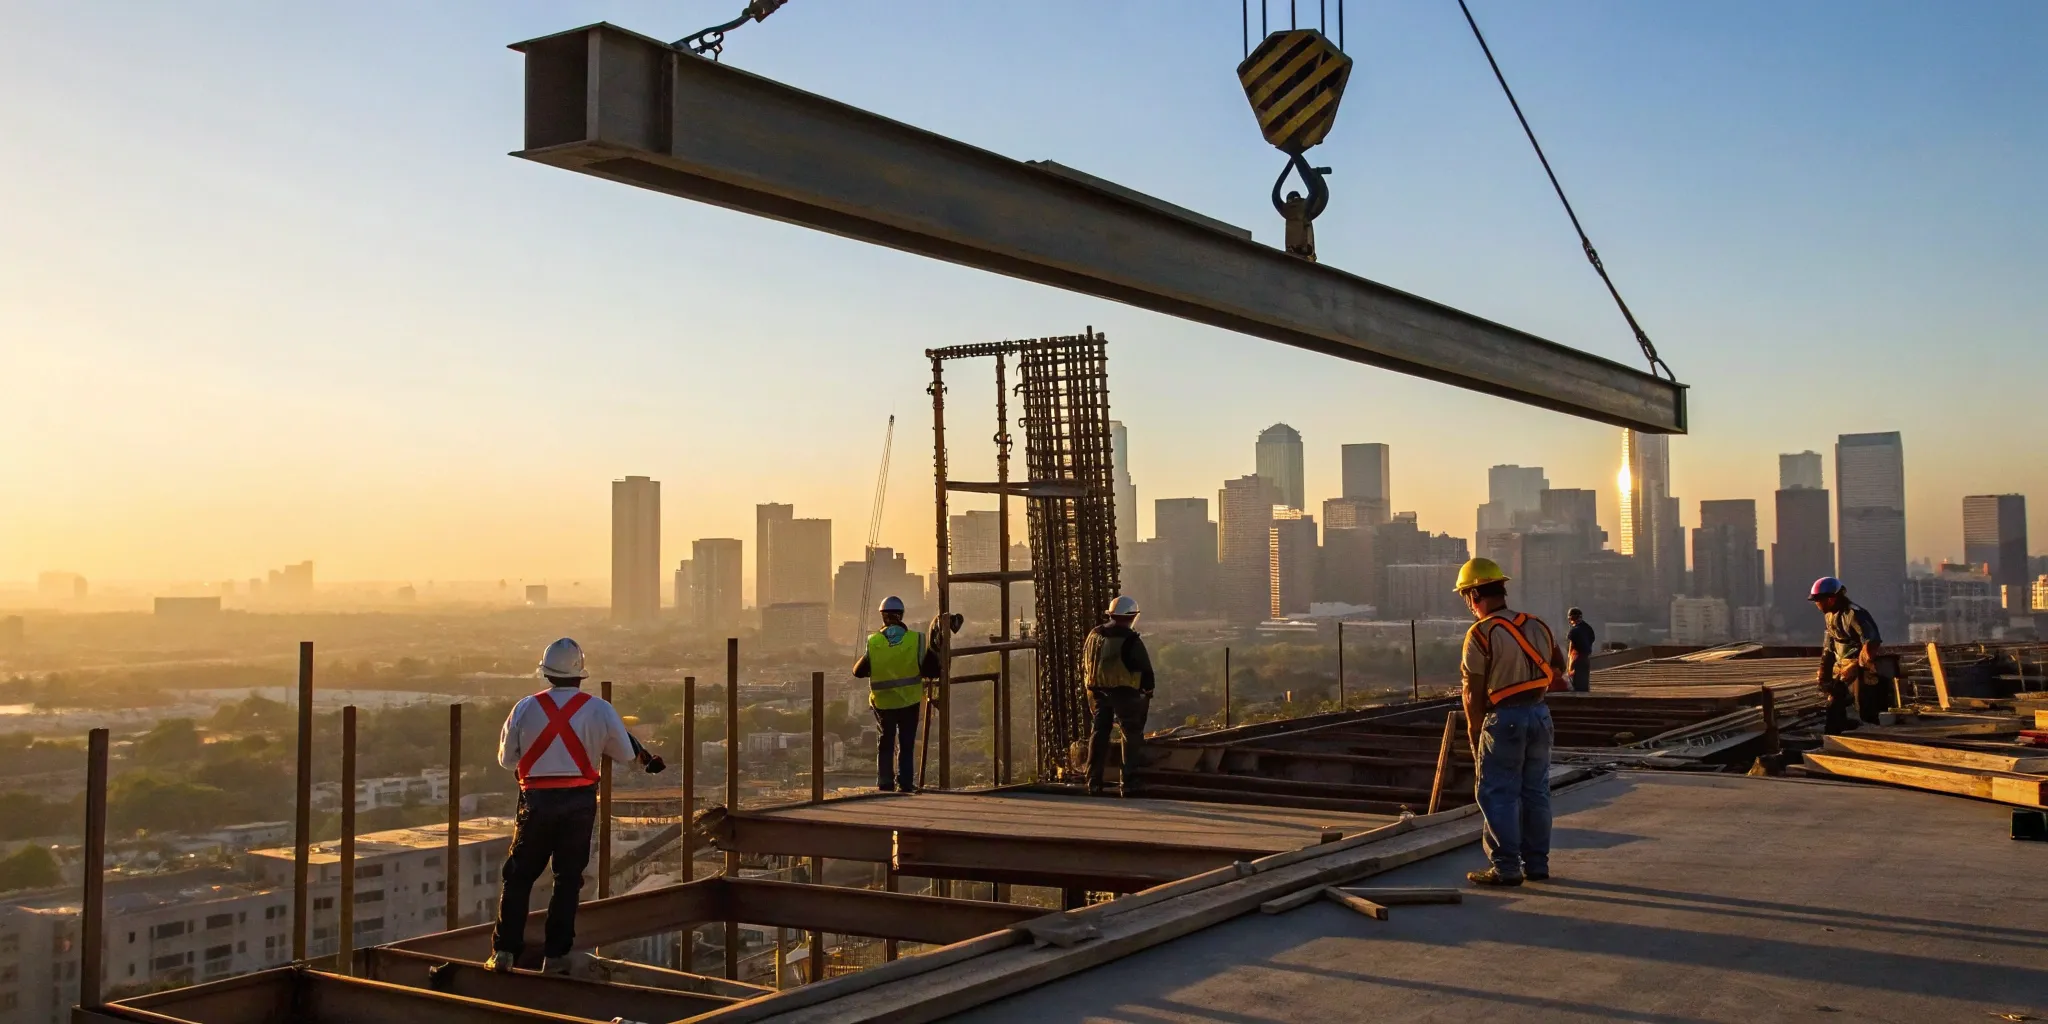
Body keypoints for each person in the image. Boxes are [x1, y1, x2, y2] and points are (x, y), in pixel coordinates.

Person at [488, 638, 663, 973]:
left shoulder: (525, 707)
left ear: (546, 673)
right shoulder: (599, 709)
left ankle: (505, 952)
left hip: (536, 801)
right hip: (579, 802)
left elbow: (507, 761)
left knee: (519, 876)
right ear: (580, 675)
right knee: (567, 879)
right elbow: (626, 755)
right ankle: (556, 955)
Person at [1455, 558, 1565, 887]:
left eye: (1466, 597)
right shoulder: (1537, 624)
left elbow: (1474, 693)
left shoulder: (1480, 633)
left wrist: (1475, 732)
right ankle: (1537, 864)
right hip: (1540, 714)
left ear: (1475, 594)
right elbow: (1557, 666)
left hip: (1505, 719)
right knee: (1535, 792)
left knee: (1498, 792)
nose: (1468, 605)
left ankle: (1505, 867)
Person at [852, 596, 941, 793]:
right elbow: (932, 670)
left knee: (885, 743)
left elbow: (857, 671)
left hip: (884, 703)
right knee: (906, 744)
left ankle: (885, 784)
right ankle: (905, 784)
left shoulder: (874, 642)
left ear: (883, 617)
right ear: (901, 616)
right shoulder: (915, 639)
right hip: (909, 700)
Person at [1084, 595, 1157, 797]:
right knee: (1131, 734)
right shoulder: (1130, 640)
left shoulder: (1094, 635)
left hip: (1096, 690)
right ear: (1132, 616)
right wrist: (1147, 690)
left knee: (1099, 732)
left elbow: (1086, 664)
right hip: (1125, 693)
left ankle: (1093, 781)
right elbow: (1145, 670)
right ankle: (1129, 781)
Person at [1808, 577, 1887, 733]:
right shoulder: (1829, 616)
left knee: (1863, 705)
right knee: (1835, 702)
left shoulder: (1854, 614)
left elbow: (1871, 642)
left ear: (1831, 599)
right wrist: (1824, 671)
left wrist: (1857, 665)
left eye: (1819, 600)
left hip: (1860, 667)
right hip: (1841, 665)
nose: (1817, 604)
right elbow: (1829, 646)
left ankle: (1870, 734)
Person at [1565, 608, 1595, 693]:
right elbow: (1592, 639)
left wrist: (1568, 667)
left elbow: (1571, 649)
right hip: (1586, 659)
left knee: (1577, 685)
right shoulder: (1588, 628)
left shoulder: (1573, 631)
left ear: (1571, 618)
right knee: (1584, 684)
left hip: (1576, 660)